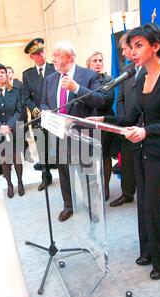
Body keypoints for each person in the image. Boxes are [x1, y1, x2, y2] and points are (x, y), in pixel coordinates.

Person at [88, 23, 160, 280]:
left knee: (154, 206)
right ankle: (148, 251)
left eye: (139, 45)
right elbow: (133, 115)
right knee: (142, 204)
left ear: (156, 46)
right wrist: (105, 120)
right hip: (141, 148)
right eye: (131, 46)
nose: (132, 51)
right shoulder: (140, 75)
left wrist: (146, 131)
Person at [40, 41, 105, 222]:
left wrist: (76, 88)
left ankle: (92, 206)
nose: (52, 59)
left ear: (69, 57)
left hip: (82, 135)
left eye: (57, 55)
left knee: (87, 174)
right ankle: (69, 205)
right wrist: (47, 113)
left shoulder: (89, 75)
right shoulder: (50, 79)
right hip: (59, 134)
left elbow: (100, 100)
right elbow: (44, 102)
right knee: (64, 173)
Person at [0, 63, 24, 198]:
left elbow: (19, 110)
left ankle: (20, 182)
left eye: (3, 72)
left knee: (16, 158)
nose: (1, 75)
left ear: (7, 74)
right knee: (5, 161)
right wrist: (0, 127)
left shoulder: (15, 90)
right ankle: (9, 184)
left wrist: (10, 126)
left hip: (13, 130)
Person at [22, 37, 56, 191]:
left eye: (42, 52)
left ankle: (64, 175)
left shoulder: (54, 68)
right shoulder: (27, 75)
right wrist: (36, 110)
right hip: (38, 118)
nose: (41, 55)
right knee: (42, 148)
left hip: (56, 115)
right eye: (37, 54)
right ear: (32, 57)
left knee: (60, 147)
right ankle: (45, 177)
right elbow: (26, 97)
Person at [110, 34, 139, 208]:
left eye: (125, 49)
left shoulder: (152, 69)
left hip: (145, 127)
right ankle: (127, 194)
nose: (123, 52)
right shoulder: (126, 70)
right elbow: (119, 99)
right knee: (127, 164)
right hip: (127, 126)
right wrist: (125, 122)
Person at [86, 51, 115, 201]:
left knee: (105, 156)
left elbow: (107, 100)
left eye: (100, 60)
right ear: (88, 64)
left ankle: (105, 187)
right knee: (90, 157)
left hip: (104, 123)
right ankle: (93, 186)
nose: (98, 63)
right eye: (94, 60)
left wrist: (90, 97)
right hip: (87, 123)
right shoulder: (83, 80)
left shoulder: (108, 79)